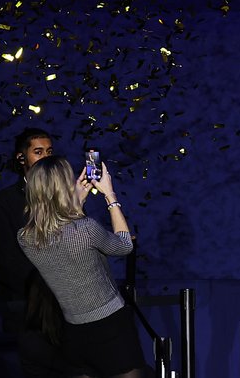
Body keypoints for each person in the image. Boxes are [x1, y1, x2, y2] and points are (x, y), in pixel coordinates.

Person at [17, 156, 147, 378]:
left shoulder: (26, 237)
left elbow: (62, 236)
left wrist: (75, 204)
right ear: (62, 188)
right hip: (111, 327)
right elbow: (125, 246)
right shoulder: (85, 229)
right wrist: (110, 196)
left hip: (74, 332)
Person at [0, 127, 67, 377]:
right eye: (38, 152)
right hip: (27, 309)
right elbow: (6, 261)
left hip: (65, 308)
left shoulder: (63, 199)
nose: (45, 157)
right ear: (21, 157)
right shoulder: (5, 202)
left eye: (49, 151)